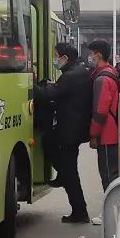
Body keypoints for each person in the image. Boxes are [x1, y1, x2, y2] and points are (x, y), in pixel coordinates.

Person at [35, 42, 92, 223]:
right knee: (49, 142)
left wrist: (30, 82)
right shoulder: (79, 72)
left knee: (70, 172)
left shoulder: (71, 76)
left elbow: (48, 95)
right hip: (74, 128)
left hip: (70, 131)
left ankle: (79, 211)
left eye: (56, 56)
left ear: (65, 58)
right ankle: (63, 176)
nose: (55, 59)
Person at [87, 40, 120, 193]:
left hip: (106, 133)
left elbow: (100, 111)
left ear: (99, 55)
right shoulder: (111, 72)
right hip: (113, 129)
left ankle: (113, 206)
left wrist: (93, 134)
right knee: (112, 173)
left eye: (92, 54)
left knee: (108, 175)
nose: (91, 57)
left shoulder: (102, 79)